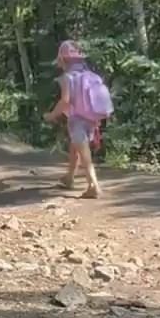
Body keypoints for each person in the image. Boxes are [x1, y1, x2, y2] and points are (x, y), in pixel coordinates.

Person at [44, 40, 110, 199]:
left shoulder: (67, 77)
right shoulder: (89, 74)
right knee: (75, 148)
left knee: (84, 152)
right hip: (92, 119)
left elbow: (65, 101)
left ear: (64, 59)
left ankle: (93, 184)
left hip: (77, 120)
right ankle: (69, 178)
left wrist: (51, 115)